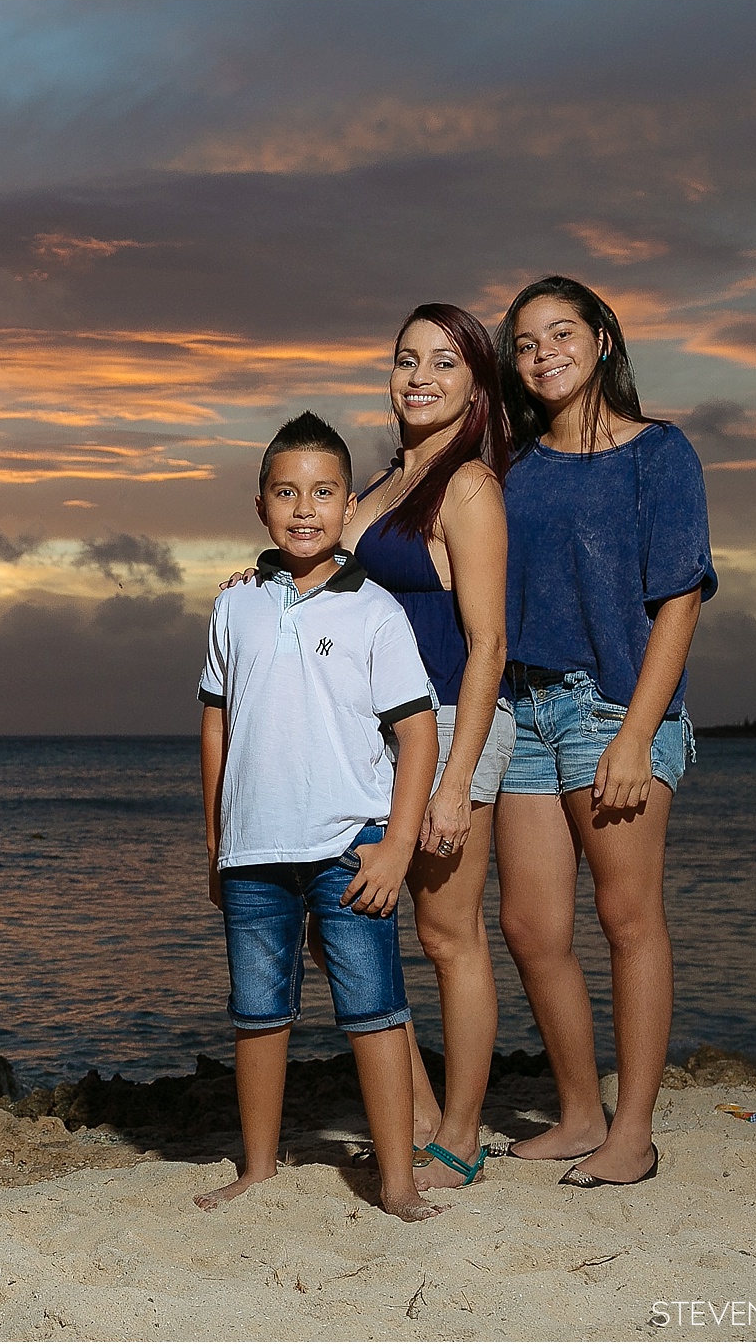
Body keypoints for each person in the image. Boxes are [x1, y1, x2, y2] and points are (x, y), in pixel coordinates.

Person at [225, 305, 514, 1191]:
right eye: (405, 360)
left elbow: (489, 640)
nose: (419, 376)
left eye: (443, 362)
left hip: (453, 723)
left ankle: (459, 1131)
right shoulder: (382, 484)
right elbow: (315, 562)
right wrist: (256, 573)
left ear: (474, 384)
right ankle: (416, 1110)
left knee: (446, 931)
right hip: (372, 735)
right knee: (350, 913)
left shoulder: (466, 485)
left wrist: (459, 774)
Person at [492, 275, 717, 1188]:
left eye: (561, 332)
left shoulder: (659, 455)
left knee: (628, 918)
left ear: (604, 340)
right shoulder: (510, 469)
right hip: (522, 707)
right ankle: (579, 1109)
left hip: (611, 709)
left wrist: (638, 732)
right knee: (531, 927)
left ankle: (634, 1132)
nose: (544, 351)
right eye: (525, 341)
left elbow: (680, 600)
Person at [195, 410, 443, 1222]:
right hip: (254, 851)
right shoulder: (234, 606)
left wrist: (398, 844)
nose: (305, 508)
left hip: (352, 846)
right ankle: (258, 1168)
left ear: (347, 507)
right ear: (261, 503)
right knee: (258, 1014)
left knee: (376, 1013)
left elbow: (417, 730)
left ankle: (398, 1181)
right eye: (287, 492)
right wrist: (216, 840)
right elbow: (217, 724)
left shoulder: (373, 609)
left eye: (324, 492)